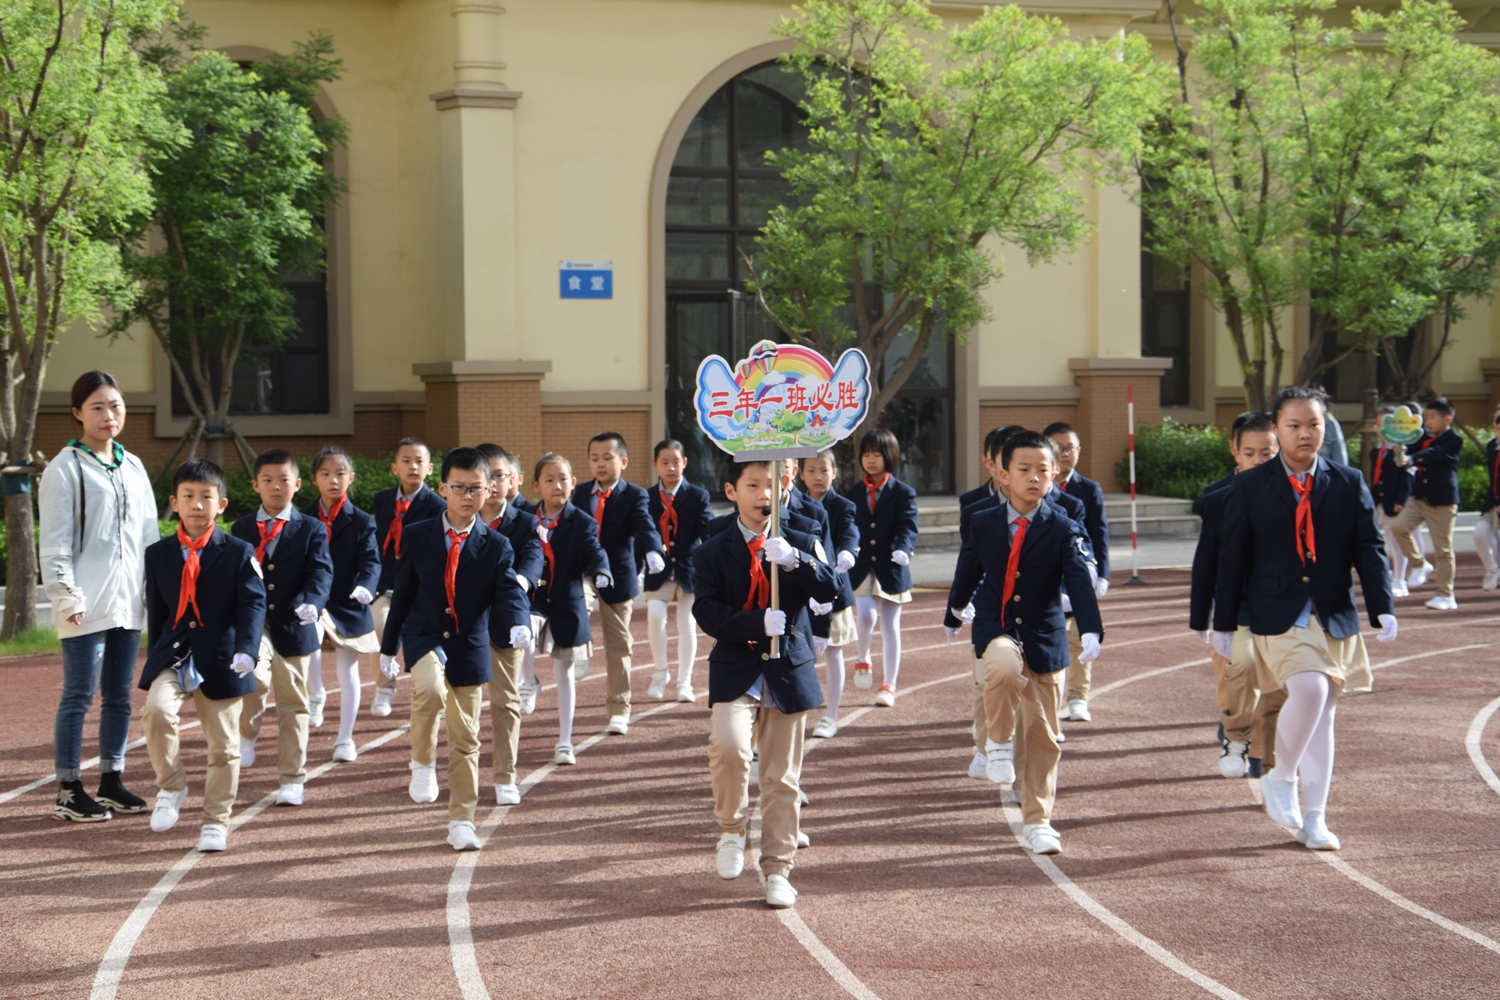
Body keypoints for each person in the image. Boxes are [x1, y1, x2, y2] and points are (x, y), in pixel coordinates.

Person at [1213, 386, 1397, 850]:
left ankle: (1314, 818)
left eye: (1313, 424)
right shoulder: (1251, 485)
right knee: (1311, 690)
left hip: (1334, 612)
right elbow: (1232, 556)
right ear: (1276, 428)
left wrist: (1382, 607)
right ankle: (1280, 776)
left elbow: (1369, 548)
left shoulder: (1347, 479)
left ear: (1325, 427)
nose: (1304, 434)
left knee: (1325, 716)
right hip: (1277, 613)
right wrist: (1221, 621)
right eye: (1293, 425)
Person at [945, 431, 1103, 855]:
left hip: (1045, 633)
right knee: (1000, 666)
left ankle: (1038, 820)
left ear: (1054, 476)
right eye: (1024, 469)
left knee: (1043, 736)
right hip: (996, 625)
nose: (1034, 478)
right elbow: (968, 570)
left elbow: (1076, 579)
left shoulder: (1063, 524)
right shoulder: (983, 521)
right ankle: (996, 741)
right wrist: (954, 612)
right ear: (1002, 474)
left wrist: (1090, 628)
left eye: (1043, 470)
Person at [693, 460, 837, 909]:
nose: (762, 493)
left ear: (785, 487)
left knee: (781, 777)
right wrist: (755, 622)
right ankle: (732, 828)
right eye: (752, 485)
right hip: (737, 664)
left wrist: (797, 562)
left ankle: (778, 868)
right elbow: (707, 611)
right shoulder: (712, 549)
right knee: (731, 748)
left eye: (771, 485)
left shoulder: (800, 538)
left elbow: (830, 589)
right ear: (732, 491)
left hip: (787, 669)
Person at [378, 447, 532, 851]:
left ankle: (462, 819)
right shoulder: (418, 534)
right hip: (425, 634)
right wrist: (388, 646)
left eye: (476, 488)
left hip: (470, 644)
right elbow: (403, 594)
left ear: (490, 490)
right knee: (427, 691)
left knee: (467, 737)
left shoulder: (497, 545)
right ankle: (422, 761)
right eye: (459, 488)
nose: (467, 496)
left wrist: (519, 623)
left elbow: (508, 592)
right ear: (442, 488)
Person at [40, 371, 160, 822]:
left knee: (119, 697)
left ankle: (111, 780)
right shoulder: (64, 468)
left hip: (127, 602)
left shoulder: (133, 466)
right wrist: (67, 597)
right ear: (77, 413)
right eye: (97, 408)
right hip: (84, 606)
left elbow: (149, 537)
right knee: (78, 695)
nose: (109, 416)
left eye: (116, 406)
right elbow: (53, 543)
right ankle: (69, 787)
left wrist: (152, 592)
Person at [140, 460, 267, 852]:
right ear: (173, 503)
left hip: (223, 656)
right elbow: (159, 612)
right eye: (188, 497)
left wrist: (247, 650)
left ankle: (215, 821)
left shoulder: (239, 551)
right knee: (156, 713)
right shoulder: (158, 553)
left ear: (222, 504)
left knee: (224, 746)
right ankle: (172, 786)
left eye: (206, 497)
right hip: (175, 654)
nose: (197, 505)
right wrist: (156, 652)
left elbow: (253, 604)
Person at [232, 450, 333, 807]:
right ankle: (247, 732)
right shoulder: (241, 528)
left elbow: (321, 571)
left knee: (293, 703)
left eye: (284, 480)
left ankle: (292, 777)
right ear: (255, 485)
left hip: (295, 623)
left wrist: (313, 601)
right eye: (268, 481)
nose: (276, 487)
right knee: (254, 679)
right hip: (254, 622)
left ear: (297, 484)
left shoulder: (311, 527)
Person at [1190, 413, 1278, 778]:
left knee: (1275, 682)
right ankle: (1236, 734)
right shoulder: (1217, 498)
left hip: (1278, 604)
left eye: (1267, 454)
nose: (1258, 461)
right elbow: (1206, 561)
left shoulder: (1296, 495)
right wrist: (1201, 616)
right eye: (1250, 453)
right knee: (1239, 667)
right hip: (1235, 606)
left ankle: (1263, 754)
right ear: (1235, 452)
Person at [571, 432, 664, 735]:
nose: (600, 464)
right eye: (594, 458)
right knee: (576, 604)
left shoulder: (635, 495)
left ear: (622, 461)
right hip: (584, 570)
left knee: (619, 645)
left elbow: (645, 525)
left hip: (618, 575)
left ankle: (619, 708)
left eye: (607, 458)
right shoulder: (580, 492)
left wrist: (652, 550)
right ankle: (581, 649)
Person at [528, 453, 612, 763]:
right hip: (533, 597)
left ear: (573, 483)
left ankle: (565, 741)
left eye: (563, 479)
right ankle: (528, 682)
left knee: (564, 672)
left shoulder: (583, 522)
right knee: (523, 628)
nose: (557, 485)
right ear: (537, 485)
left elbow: (595, 551)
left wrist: (602, 572)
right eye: (549, 480)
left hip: (567, 600)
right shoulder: (525, 517)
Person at [300, 446, 381, 763]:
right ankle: (316, 691)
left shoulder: (363, 521)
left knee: (349, 671)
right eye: (325, 474)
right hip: (311, 601)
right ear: (313, 480)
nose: (333, 480)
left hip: (348, 603)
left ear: (351, 478)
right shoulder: (302, 518)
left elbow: (371, 563)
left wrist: (366, 587)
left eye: (340, 473)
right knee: (310, 649)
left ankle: (345, 738)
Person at [476, 443, 544, 805]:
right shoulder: (456, 518)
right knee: (462, 703)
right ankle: (463, 771)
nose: (493, 482)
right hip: (463, 624)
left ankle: (505, 776)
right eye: (485, 476)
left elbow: (534, 560)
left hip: (506, 623)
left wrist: (518, 581)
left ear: (511, 480)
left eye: (499, 475)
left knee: (505, 702)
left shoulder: (527, 522)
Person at [841, 429, 919, 707]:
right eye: (866, 454)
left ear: (890, 457)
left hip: (893, 567)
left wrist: (903, 548)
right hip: (861, 565)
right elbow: (848, 526)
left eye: (877, 454)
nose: (871, 460)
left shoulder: (903, 493)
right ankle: (862, 658)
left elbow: (908, 526)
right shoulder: (852, 492)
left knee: (890, 626)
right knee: (865, 615)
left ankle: (889, 685)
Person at [370, 438, 445, 716]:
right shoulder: (382, 500)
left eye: (419, 461)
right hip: (387, 583)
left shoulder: (437, 505)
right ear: (394, 467)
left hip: (419, 585)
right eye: (406, 461)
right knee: (380, 623)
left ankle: (427, 684)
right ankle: (384, 686)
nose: (412, 466)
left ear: (430, 469)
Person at [1044, 421, 1111, 723]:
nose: (1065, 453)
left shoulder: (1087, 491)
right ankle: (1048, 703)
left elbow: (1098, 534)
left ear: (1078, 450)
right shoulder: (1031, 489)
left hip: (1077, 573)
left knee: (1078, 637)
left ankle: (1078, 698)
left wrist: (1100, 572)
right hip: (1045, 576)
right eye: (1058, 448)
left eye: (1069, 447)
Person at [643, 439, 714, 703]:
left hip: (688, 568)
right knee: (655, 614)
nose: (670, 467)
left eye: (676, 461)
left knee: (687, 624)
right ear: (655, 465)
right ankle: (660, 671)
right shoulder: (647, 497)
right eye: (664, 462)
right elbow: (642, 532)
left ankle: (685, 681)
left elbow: (707, 531)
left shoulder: (698, 495)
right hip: (658, 568)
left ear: (684, 463)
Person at [799, 449, 859, 738]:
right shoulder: (795, 504)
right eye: (810, 471)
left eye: (823, 470)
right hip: (801, 591)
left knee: (834, 652)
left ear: (834, 472)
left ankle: (831, 716)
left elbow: (849, 531)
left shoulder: (843, 506)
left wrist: (847, 552)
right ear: (800, 474)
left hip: (834, 591)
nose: (817, 476)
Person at [1391, 398, 1462, 610]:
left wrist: (1412, 460)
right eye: (1426, 417)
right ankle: (1420, 565)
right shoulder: (1421, 437)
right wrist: (1400, 451)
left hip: (1442, 502)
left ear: (1446, 419)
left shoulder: (1454, 440)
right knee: (1398, 527)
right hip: (1419, 497)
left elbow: (1434, 455)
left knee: (1443, 549)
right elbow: (1408, 451)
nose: (1427, 421)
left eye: (1431, 417)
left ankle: (1445, 594)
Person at [1368, 405, 1415, 599]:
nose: (1382, 428)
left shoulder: (1400, 452)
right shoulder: (1376, 451)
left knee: (1395, 539)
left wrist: (1401, 500)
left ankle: (1400, 579)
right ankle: (1386, 573)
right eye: (1380, 424)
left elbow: (1407, 477)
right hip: (1377, 499)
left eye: (1388, 424)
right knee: (1378, 538)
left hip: (1393, 501)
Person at [1473, 404, 1500, 592]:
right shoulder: (1492, 446)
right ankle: (1492, 570)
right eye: (1496, 421)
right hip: (1493, 503)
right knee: (1480, 534)